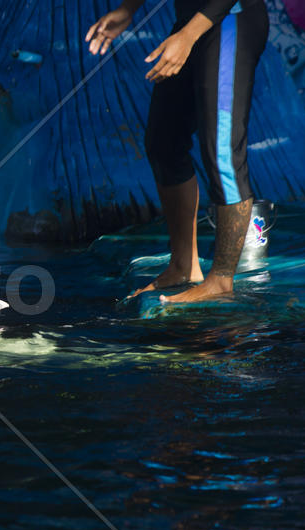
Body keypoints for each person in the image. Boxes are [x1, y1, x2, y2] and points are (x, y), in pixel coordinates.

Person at [86, 0, 269, 303]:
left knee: (222, 152)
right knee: (164, 143)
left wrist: (187, 36)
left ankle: (221, 281)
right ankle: (184, 267)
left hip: (229, 21)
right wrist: (128, 10)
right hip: (190, 24)